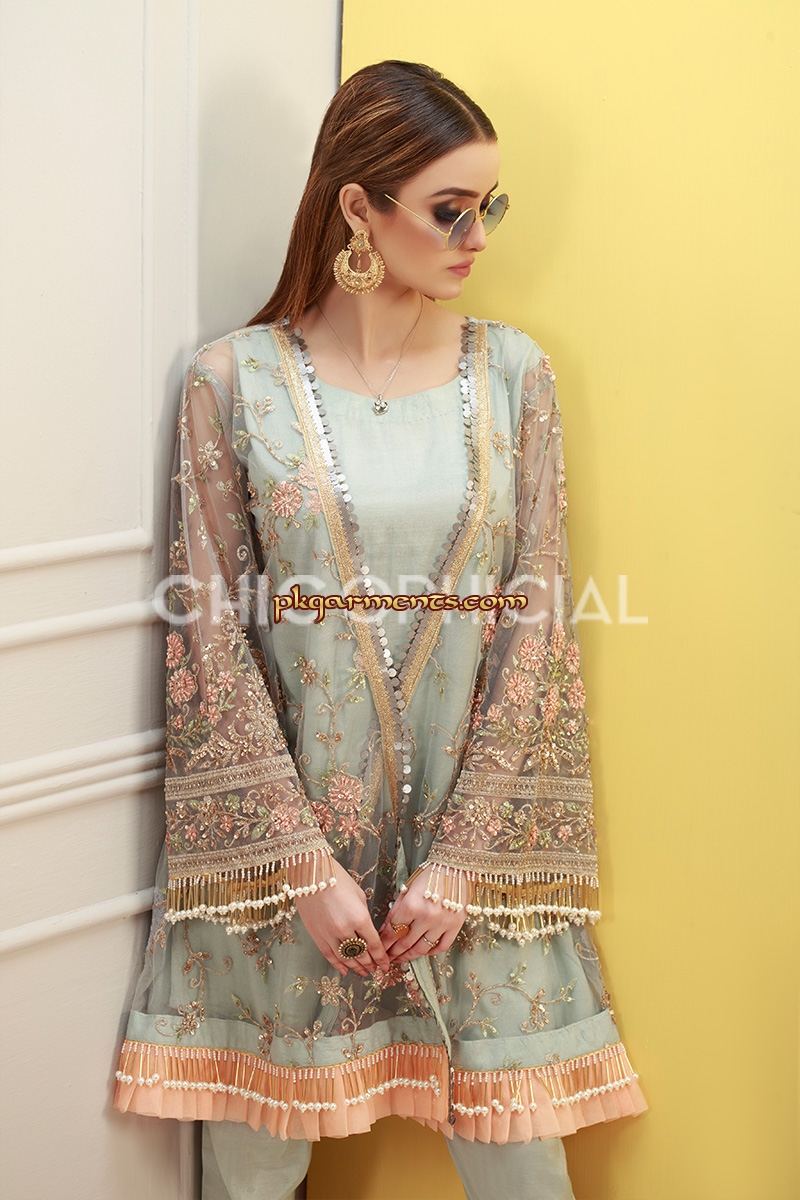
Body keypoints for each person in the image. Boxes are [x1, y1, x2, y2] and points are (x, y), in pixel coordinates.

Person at [113, 60, 646, 1200]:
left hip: (474, 874)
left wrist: (461, 866)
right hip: (284, 881)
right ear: (358, 206)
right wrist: (300, 868)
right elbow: (209, 641)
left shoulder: (514, 376)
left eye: (489, 207)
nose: (476, 237)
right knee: (253, 1177)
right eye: (449, 210)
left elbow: (538, 629)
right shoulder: (233, 382)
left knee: (523, 1172)